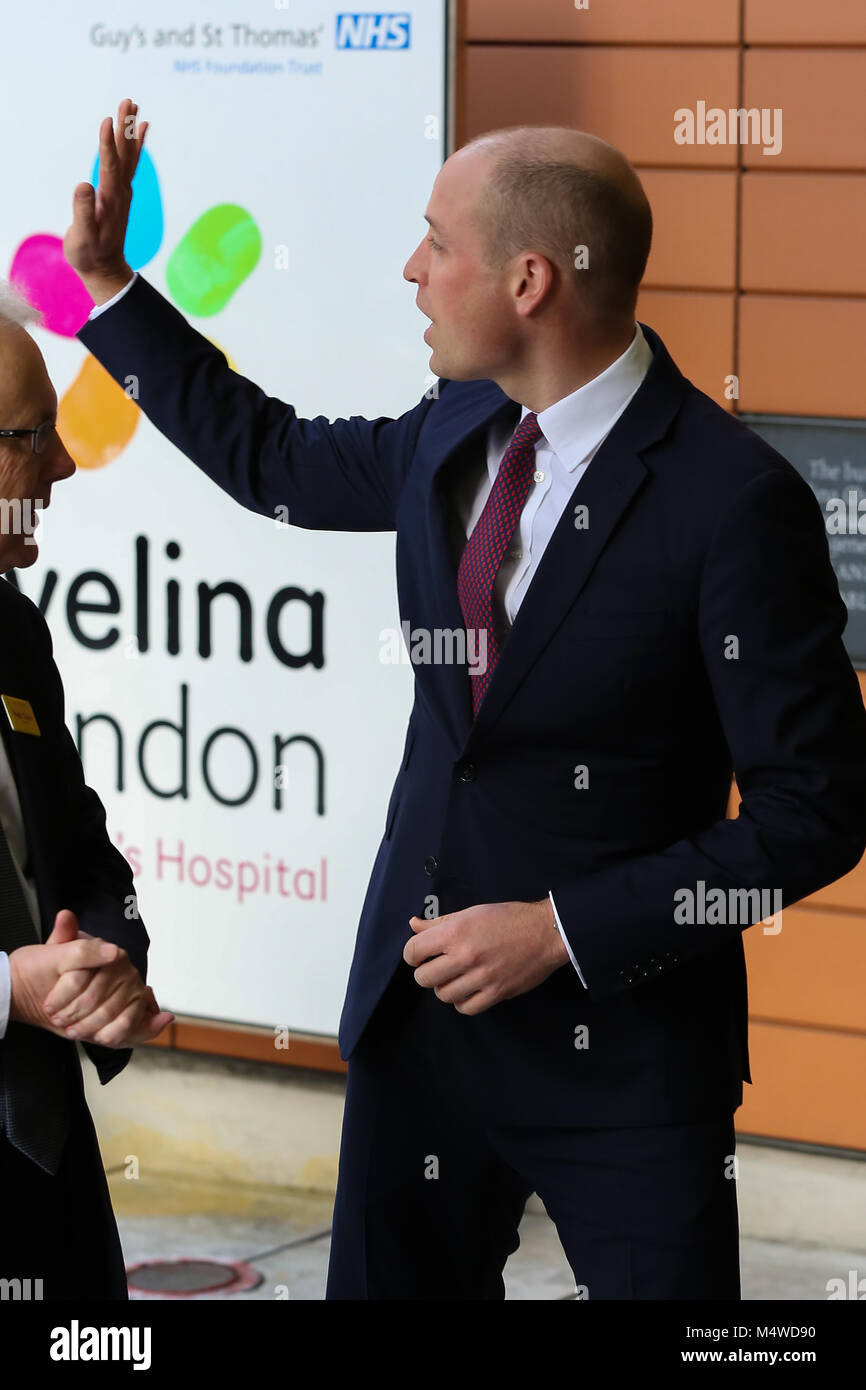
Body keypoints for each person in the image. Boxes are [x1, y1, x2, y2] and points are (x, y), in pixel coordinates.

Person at [65, 100, 866, 1300]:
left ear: (530, 279)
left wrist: (560, 928)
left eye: (435, 242)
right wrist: (110, 286)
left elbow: (817, 809)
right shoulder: (454, 427)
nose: (412, 269)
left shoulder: (731, 502)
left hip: (630, 1074)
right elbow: (268, 459)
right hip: (419, 1041)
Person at [0, 279, 173, 1298]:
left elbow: (83, 853)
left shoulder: (16, 631)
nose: (63, 463)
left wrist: (106, 960)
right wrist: (8, 986)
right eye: (32, 436)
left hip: (43, 1159)